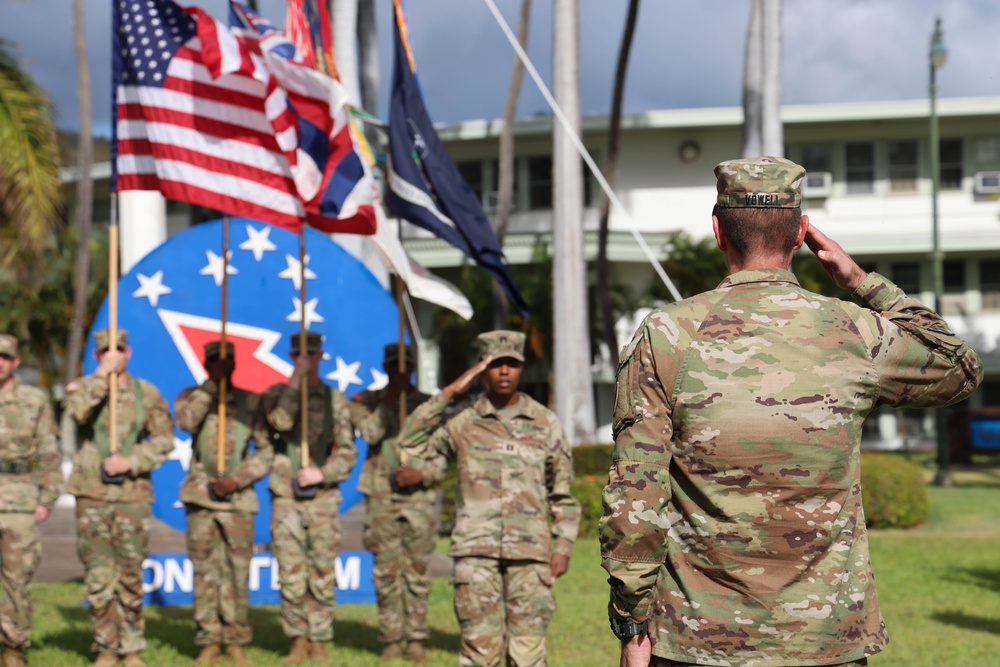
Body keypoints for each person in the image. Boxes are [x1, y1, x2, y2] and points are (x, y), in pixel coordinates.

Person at [600, 156, 985, 667]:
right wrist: (863, 281)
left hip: (698, 640)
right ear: (801, 232)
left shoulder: (668, 333)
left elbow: (636, 489)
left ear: (718, 231)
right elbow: (960, 367)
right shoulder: (853, 331)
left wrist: (632, 622)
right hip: (826, 640)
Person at [398, 330, 581, 667]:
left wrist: (563, 547)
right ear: (482, 369)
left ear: (522, 367)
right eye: (496, 364)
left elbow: (563, 493)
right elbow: (409, 441)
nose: (504, 372)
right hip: (475, 554)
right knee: (479, 651)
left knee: (527, 655)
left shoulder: (544, 422)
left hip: (530, 555)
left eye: (512, 364)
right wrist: (452, 391)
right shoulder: (464, 423)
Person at [65, 329, 174, 667]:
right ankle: (105, 647)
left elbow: (163, 440)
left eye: (120, 349)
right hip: (92, 492)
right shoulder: (84, 387)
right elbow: (78, 413)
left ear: (129, 353)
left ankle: (131, 648)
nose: (114, 355)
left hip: (132, 494)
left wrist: (132, 461)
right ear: (97, 356)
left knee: (129, 572)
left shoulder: (146, 393)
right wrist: (100, 377)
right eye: (106, 351)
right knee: (99, 574)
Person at [174, 341, 274, 666]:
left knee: (237, 572)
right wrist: (208, 388)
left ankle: (235, 640)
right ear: (206, 364)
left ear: (235, 364)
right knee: (205, 572)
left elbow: (266, 450)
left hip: (238, 500)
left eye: (226, 361)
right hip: (201, 496)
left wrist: (238, 478)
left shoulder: (250, 402)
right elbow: (186, 422)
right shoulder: (191, 396)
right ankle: (207, 640)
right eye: (215, 361)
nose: (221, 366)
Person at [261, 332, 356, 665]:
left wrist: (322, 474)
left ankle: (319, 638)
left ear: (321, 356)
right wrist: (295, 381)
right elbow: (280, 422)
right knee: (290, 569)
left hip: (322, 499)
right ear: (291, 355)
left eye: (312, 354)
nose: (307, 358)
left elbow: (347, 451)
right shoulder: (276, 394)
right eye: (301, 354)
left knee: (321, 569)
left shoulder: (335, 399)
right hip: (286, 496)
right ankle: (297, 638)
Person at [349, 343, 442, 662]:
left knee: (417, 570)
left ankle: (415, 638)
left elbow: (442, 454)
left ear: (413, 368)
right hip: (381, 497)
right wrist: (391, 398)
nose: (400, 373)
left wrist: (422, 475)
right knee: (387, 571)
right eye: (394, 367)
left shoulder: (428, 405)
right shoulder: (366, 401)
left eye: (405, 368)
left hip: (416, 499)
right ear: (386, 368)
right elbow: (370, 433)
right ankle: (390, 638)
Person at [0, 335, 62, 667]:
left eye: (4, 357)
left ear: (15, 362)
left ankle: (13, 647)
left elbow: (49, 451)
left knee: (17, 579)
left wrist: (48, 498)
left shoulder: (33, 400)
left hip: (19, 502)